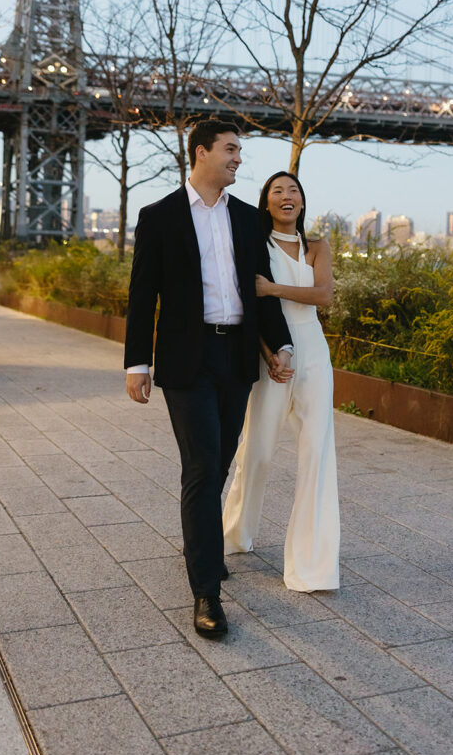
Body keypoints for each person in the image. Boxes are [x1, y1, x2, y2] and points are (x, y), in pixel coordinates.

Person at [124, 120, 293, 638]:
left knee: (219, 462)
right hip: (185, 358)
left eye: (240, 150)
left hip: (236, 355)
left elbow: (257, 291)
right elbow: (142, 294)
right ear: (200, 152)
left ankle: (201, 545)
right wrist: (137, 363)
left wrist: (280, 343)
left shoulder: (247, 219)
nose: (239, 158)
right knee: (200, 466)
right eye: (231, 149)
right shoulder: (158, 217)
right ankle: (206, 593)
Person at [223, 171, 340, 591]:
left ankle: (312, 566)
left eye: (293, 190)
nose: (286, 196)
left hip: (313, 351)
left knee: (317, 454)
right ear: (266, 203)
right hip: (271, 350)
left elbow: (324, 295)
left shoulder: (318, 247)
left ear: (303, 202)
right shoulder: (257, 243)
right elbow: (248, 304)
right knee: (257, 451)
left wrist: (272, 288)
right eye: (277, 191)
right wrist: (269, 352)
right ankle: (235, 532)